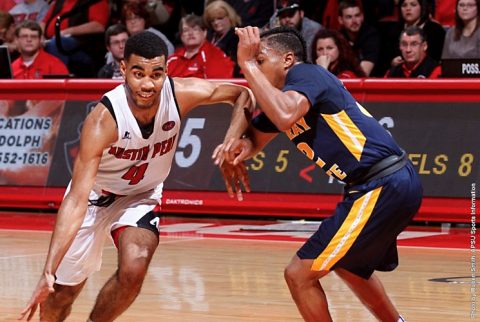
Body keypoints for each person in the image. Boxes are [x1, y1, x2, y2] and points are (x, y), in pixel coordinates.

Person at [18, 31, 254, 322]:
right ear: (123, 70)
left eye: (156, 74)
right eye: (138, 73)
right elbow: (77, 199)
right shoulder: (103, 120)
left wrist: (232, 140)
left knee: (134, 269)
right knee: (62, 294)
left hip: (142, 195)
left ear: (166, 71)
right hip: (95, 196)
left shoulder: (180, 93)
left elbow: (242, 94)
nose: (147, 84)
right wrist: (47, 270)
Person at [214, 26, 422, 322]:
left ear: (287, 60)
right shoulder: (285, 98)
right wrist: (234, 152)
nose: (254, 66)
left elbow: (285, 114)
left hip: (382, 183)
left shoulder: (306, 75)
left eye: (260, 60)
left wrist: (246, 64)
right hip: (381, 185)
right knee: (351, 267)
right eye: (253, 62)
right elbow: (253, 140)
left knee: (298, 275)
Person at [41, 0, 110, 77]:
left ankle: (57, 82)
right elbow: (44, 22)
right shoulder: (58, 2)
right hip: (52, 39)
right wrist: (39, 36)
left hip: (84, 46)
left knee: (57, 43)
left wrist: (66, 32)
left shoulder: (96, 1)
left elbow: (99, 26)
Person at [167, 14, 234, 78]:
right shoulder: (172, 59)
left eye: (195, 29)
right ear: (181, 35)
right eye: (186, 30)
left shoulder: (215, 55)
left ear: (204, 33)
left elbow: (218, 85)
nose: (190, 33)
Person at [389, 0, 445, 66]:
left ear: (422, 7)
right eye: (404, 5)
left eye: (413, 5)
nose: (408, 8)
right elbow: (386, 57)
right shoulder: (394, 30)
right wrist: (392, 61)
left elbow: (436, 58)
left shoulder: (435, 30)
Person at [338, 0, 380, 76]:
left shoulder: (371, 35)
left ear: (362, 17)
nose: (354, 21)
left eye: (357, 15)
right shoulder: (338, 37)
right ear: (341, 20)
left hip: (371, 83)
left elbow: (364, 73)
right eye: (349, 17)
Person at [203, 0, 242, 77]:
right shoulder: (208, 36)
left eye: (220, 18)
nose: (216, 23)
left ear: (229, 16)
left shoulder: (238, 36)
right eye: (212, 20)